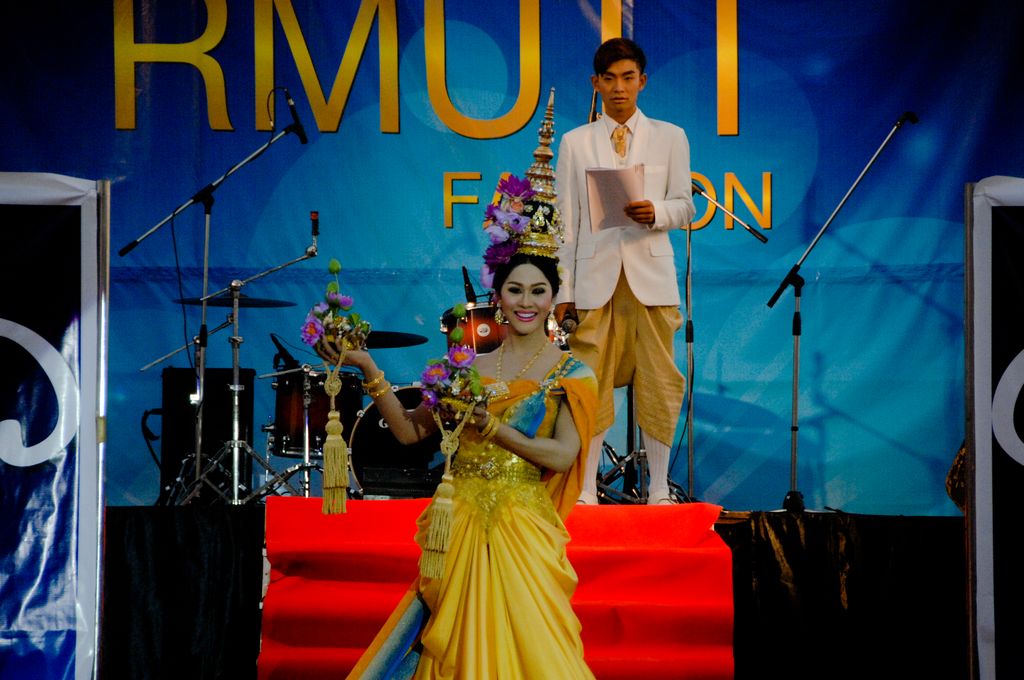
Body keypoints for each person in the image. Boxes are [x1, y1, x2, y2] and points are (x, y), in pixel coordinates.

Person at [334, 176, 599, 678]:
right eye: (515, 289)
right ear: (496, 296)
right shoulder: (463, 369)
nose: (526, 301)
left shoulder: (573, 373)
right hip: (458, 524)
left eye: (538, 291)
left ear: (553, 298)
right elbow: (410, 433)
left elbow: (563, 456)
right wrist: (369, 369)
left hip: (522, 526)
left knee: (531, 646)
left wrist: (491, 427)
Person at [554, 37, 696, 505]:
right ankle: (586, 487)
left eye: (628, 78)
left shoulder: (671, 137)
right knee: (588, 379)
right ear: (595, 83)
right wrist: (564, 291)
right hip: (594, 280)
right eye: (610, 78)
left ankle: (658, 487)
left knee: (659, 378)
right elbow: (565, 224)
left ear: (643, 81)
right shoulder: (575, 142)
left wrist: (656, 211)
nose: (619, 87)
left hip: (650, 278)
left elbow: (686, 205)